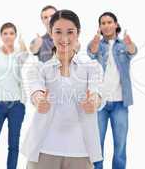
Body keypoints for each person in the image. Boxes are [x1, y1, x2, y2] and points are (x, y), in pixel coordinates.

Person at [22, 10, 104, 169]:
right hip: (43, 151)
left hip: (80, 152)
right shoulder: (39, 68)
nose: (64, 38)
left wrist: (93, 102)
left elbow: (97, 93)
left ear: (78, 33)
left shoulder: (92, 67)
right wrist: (40, 101)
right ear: (51, 33)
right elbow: (36, 90)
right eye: (58, 32)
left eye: (70, 32)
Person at [87, 12, 137, 169]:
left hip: (120, 103)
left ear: (116, 24)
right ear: (100, 27)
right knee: (97, 145)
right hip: (99, 103)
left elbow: (133, 51)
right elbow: (91, 52)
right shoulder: (97, 44)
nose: (106, 25)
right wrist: (95, 41)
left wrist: (129, 44)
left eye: (109, 22)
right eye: (103, 23)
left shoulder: (123, 45)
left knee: (120, 145)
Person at [0, 22, 29, 169]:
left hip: (16, 105)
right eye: (5, 33)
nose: (8, 36)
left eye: (11, 33)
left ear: (15, 36)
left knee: (13, 145)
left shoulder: (18, 54)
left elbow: (25, 56)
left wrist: (23, 45)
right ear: (1, 36)